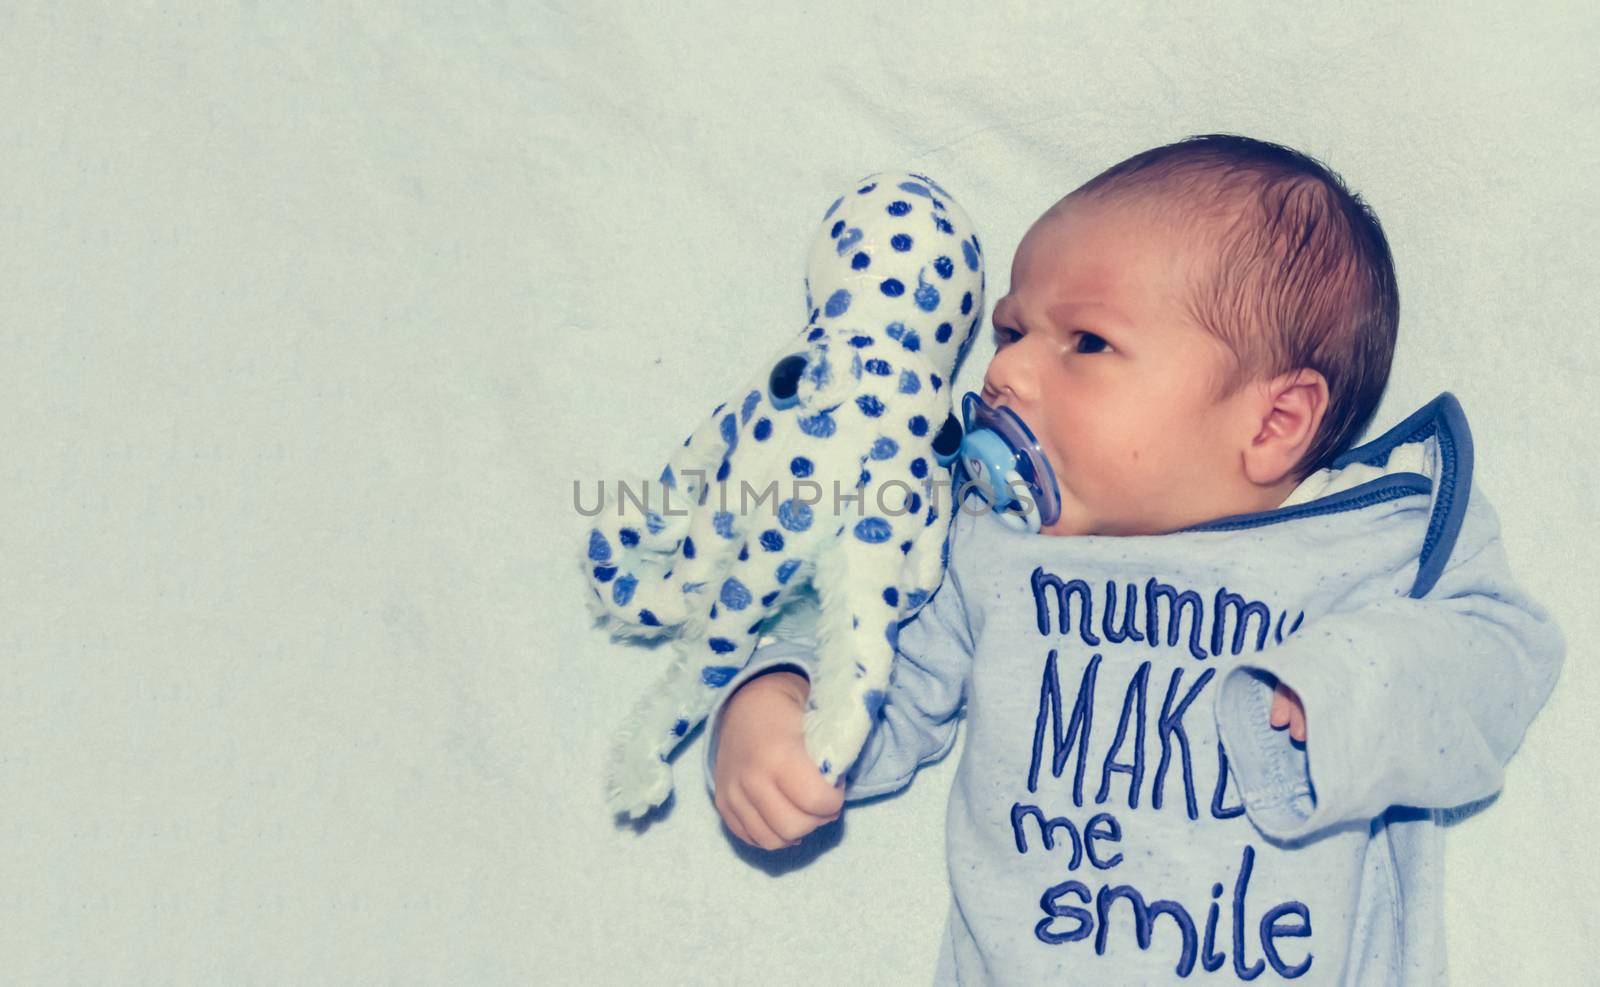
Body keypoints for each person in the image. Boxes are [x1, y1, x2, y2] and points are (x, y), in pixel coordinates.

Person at [700, 134, 1564, 983]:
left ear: (1273, 424)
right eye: (1010, 330)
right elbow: (880, 659)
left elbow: (1504, 662)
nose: (1007, 371)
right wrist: (776, 704)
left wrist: (1349, 684)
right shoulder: (989, 548)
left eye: (1086, 343)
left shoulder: (1371, 540)